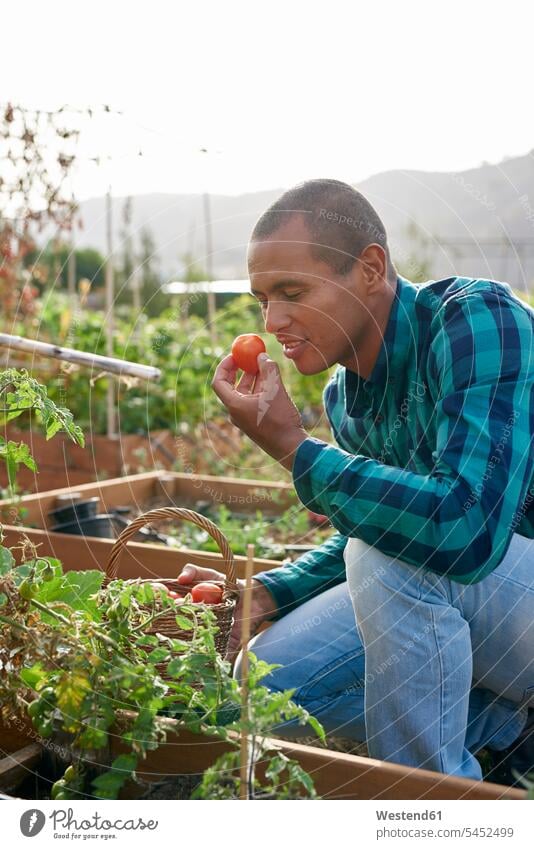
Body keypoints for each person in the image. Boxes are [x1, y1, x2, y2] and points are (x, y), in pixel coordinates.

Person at [177, 179, 534, 785]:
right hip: (491, 611)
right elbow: (384, 530)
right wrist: (271, 592)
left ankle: (429, 802)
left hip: (505, 581)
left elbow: (464, 527)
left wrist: (295, 451)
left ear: (370, 268)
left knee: (388, 552)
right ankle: (505, 734)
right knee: (268, 686)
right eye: (262, 299)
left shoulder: (476, 321)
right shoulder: (348, 401)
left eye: (293, 292)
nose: (274, 320)